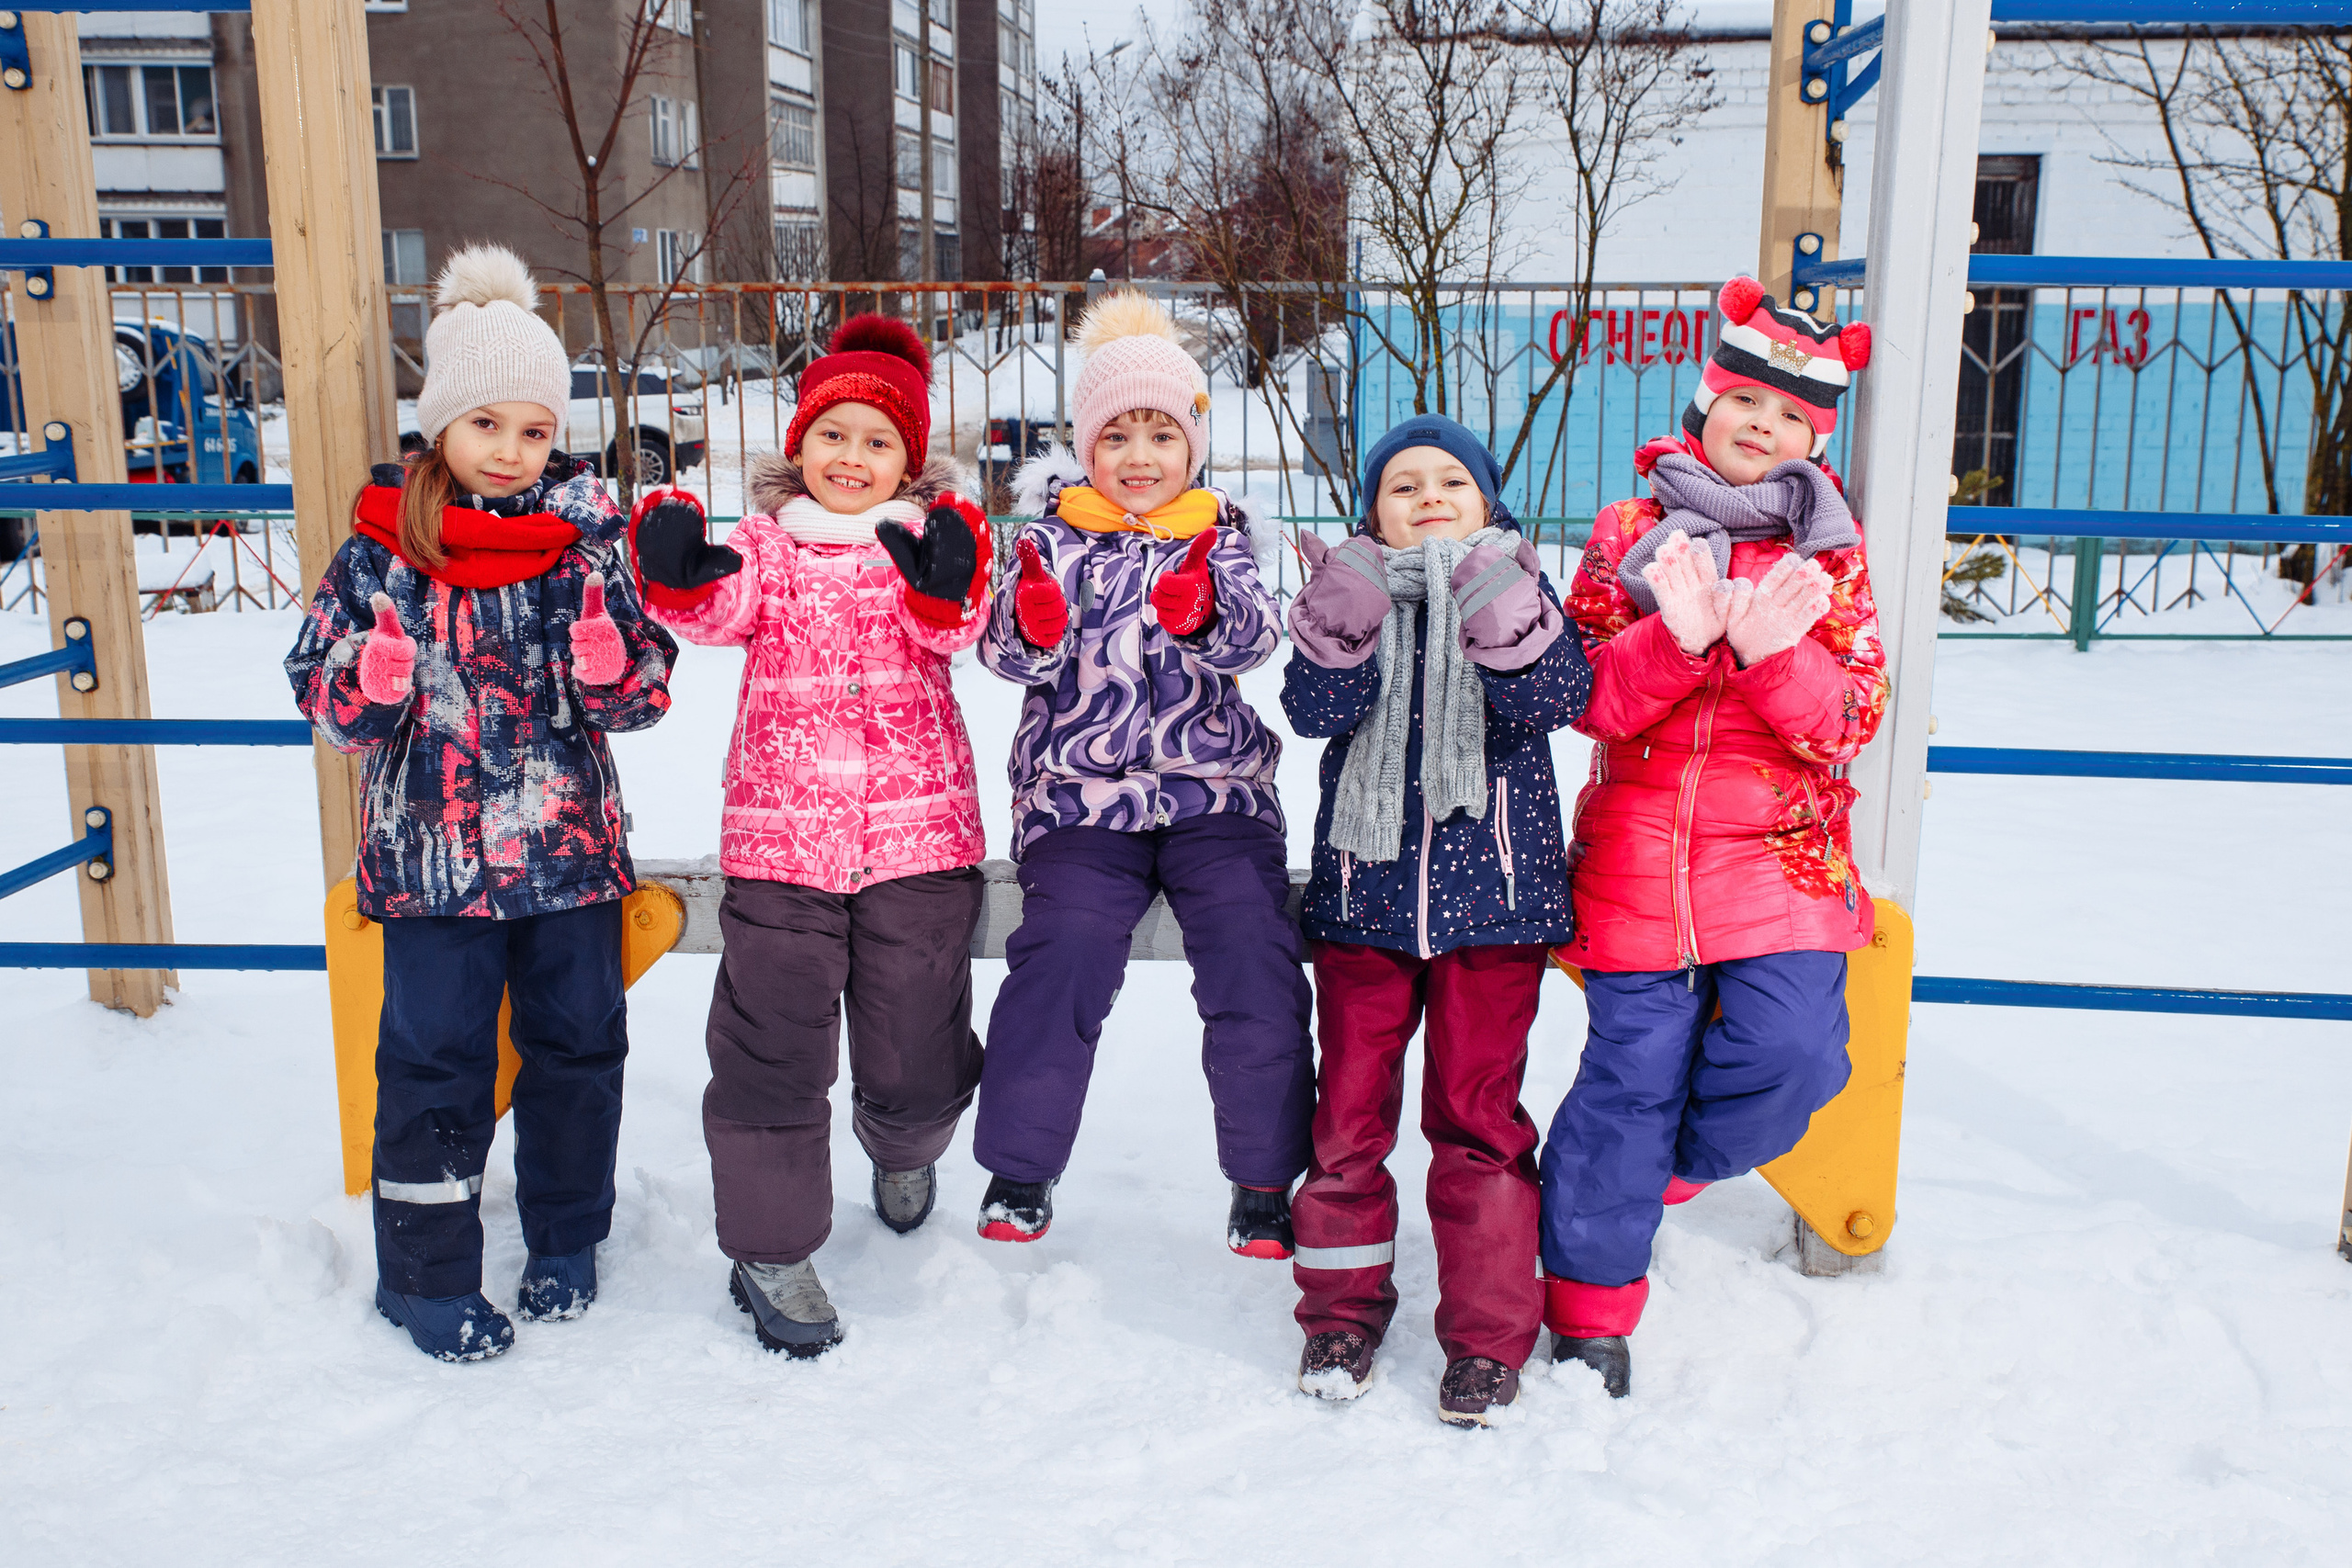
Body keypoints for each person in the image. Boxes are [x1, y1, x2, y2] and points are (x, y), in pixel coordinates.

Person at [287, 243, 675, 1362]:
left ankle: (566, 1238)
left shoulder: (588, 538)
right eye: (488, 425)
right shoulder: (382, 548)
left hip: (567, 856)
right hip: (432, 867)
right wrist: (368, 683)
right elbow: (320, 689)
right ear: (440, 427)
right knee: (433, 1062)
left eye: (536, 429)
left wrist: (611, 671)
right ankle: (423, 1274)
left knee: (578, 1049)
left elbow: (640, 693)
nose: (512, 452)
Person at [1540, 278, 1884, 1399]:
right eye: (1746, 402)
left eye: (1790, 418)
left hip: (1777, 855)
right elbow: (1581, 696)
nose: (1764, 427)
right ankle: (1589, 1311)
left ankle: (1676, 1163)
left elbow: (1851, 723)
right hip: (1641, 858)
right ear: (1705, 402)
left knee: (1793, 1055)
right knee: (1627, 1077)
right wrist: (1677, 642)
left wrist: (1779, 653)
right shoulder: (1631, 533)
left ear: (1813, 439)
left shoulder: (1826, 557)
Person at [629, 314, 992, 1358]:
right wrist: (678, 573)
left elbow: (958, 626)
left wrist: (943, 584)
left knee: (914, 1049)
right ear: (798, 449)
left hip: (918, 842)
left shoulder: (926, 541)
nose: (851, 458)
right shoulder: (768, 547)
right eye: (833, 436)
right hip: (781, 845)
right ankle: (771, 1247)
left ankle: (904, 1145)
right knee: (769, 1053)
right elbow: (714, 610)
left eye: (878, 443)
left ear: (909, 463)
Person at [971, 290, 1312, 1255]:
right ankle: (1020, 1170)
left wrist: (1203, 610)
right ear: (1085, 447)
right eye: (1116, 435)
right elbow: (1007, 657)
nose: (1138, 457)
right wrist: (1031, 622)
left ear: (1191, 446)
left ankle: (1262, 1178)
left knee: (1252, 948)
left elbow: (1253, 642)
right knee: (1067, 947)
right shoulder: (1047, 537)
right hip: (1080, 799)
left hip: (1215, 794)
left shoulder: (1223, 529)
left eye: (1160, 433)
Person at [1280, 414, 1592, 1427]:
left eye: (1448, 480)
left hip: (1492, 909)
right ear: (1370, 509)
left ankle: (1490, 1340)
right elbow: (1315, 713)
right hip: (1364, 902)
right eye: (1401, 484)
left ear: (1487, 503)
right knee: (1346, 1126)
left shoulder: (1518, 590)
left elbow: (1556, 699)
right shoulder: (1350, 591)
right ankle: (1340, 1314)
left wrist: (1499, 609)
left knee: (1478, 1126)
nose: (1425, 497)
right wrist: (1339, 623)